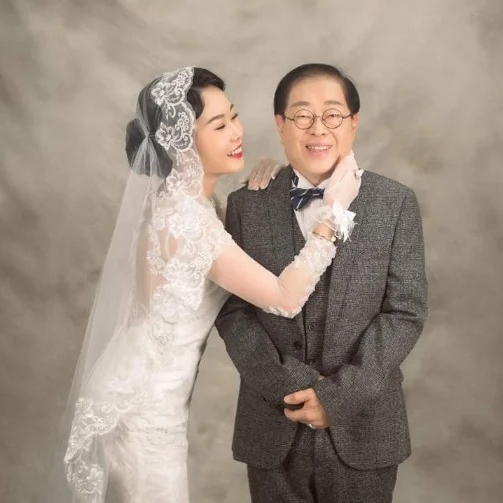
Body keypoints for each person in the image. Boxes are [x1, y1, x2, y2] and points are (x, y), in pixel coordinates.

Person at [51, 66, 362, 502]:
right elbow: (285, 298)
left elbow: (236, 241)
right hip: (144, 412)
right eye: (219, 125)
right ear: (181, 145)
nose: (236, 132)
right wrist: (333, 214)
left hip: (146, 398)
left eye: (234, 116)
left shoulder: (193, 204)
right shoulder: (186, 221)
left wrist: (268, 181)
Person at [216, 63, 428, 503]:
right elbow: (233, 311)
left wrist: (338, 396)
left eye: (332, 114)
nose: (318, 128)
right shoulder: (246, 204)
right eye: (302, 115)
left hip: (365, 425)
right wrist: (284, 385)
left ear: (353, 122)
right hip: (272, 423)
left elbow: (405, 313)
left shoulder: (395, 202)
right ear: (280, 125)